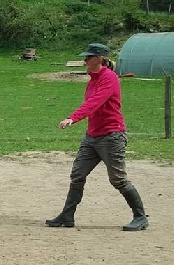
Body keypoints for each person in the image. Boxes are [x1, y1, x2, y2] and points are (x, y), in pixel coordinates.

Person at [46, 43, 148, 231]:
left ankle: (140, 217)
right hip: (92, 136)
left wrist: (72, 118)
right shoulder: (93, 79)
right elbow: (92, 104)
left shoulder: (109, 78)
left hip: (111, 136)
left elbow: (94, 103)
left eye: (89, 57)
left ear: (100, 58)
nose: (85, 60)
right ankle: (67, 216)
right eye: (85, 57)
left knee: (118, 179)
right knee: (78, 174)